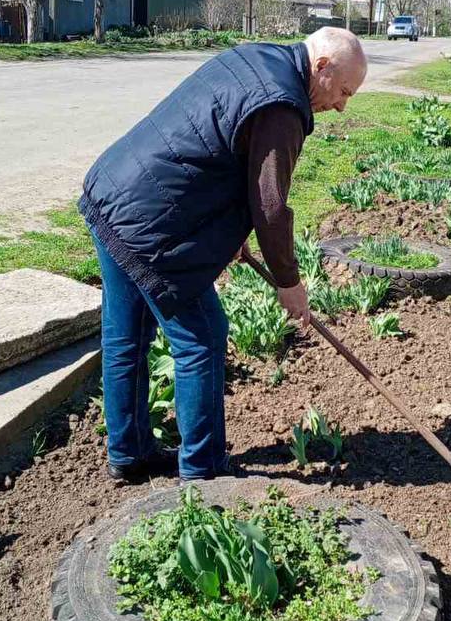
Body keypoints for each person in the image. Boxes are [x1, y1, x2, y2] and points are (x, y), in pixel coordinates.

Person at [79, 26, 367, 484]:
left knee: (126, 335)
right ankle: (204, 473)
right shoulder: (283, 106)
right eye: (344, 91)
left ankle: (128, 454)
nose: (340, 105)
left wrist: (228, 230)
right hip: (150, 223)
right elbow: (270, 207)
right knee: (203, 335)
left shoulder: (262, 60)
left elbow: (216, 145)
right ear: (322, 66)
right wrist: (289, 283)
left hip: (115, 190)